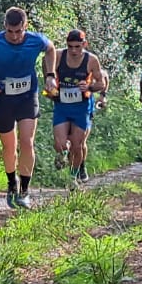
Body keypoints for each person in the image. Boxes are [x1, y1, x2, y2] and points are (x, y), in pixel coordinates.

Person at [0, 7, 55, 208]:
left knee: (27, 142)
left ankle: (24, 191)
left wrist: (50, 76)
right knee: (9, 146)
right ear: (5, 27)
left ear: (25, 27)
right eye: (10, 32)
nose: (14, 36)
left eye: (18, 31)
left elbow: (51, 49)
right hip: (3, 96)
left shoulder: (35, 40)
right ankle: (12, 183)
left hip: (27, 96)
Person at [50, 30, 107, 185]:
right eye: (70, 47)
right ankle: (63, 154)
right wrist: (51, 88)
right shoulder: (59, 56)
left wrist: (89, 86)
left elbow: (101, 83)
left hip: (82, 108)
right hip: (62, 106)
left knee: (78, 145)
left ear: (84, 44)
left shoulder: (91, 60)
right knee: (60, 144)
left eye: (77, 47)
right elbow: (49, 76)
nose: (74, 51)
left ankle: (73, 177)